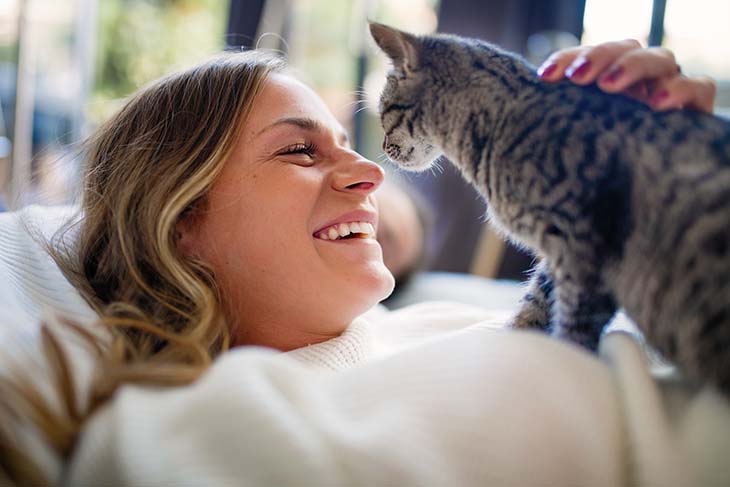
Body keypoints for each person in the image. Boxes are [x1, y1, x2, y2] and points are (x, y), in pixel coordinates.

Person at [0, 38, 722, 486]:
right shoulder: (179, 439)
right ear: (180, 220)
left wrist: (645, 183)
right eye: (298, 149)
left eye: (351, 145)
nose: (370, 174)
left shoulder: (450, 323)